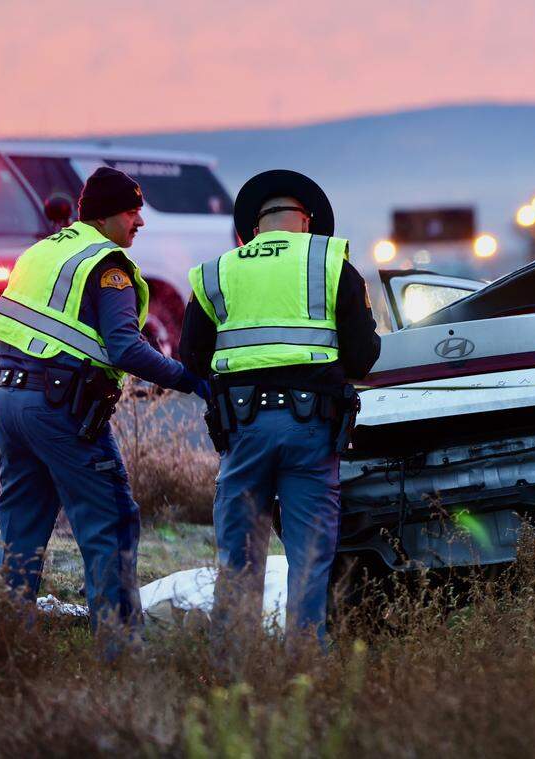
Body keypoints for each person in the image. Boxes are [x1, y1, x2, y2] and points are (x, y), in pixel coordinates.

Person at [0, 167, 208, 640]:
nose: (139, 221)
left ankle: (5, 640)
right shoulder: (106, 266)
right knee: (111, 520)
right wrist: (187, 378)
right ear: (104, 217)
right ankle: (120, 651)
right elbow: (126, 348)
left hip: (8, 401)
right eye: (131, 212)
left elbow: (5, 329)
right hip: (59, 408)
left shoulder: (44, 251)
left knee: (21, 526)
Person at [180, 169, 380, 645]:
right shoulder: (331, 263)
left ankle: (233, 667)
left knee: (238, 559)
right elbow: (363, 357)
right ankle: (303, 666)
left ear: (253, 229)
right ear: (306, 223)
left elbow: (191, 358)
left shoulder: (216, 272)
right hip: (312, 430)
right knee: (309, 559)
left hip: (242, 429)